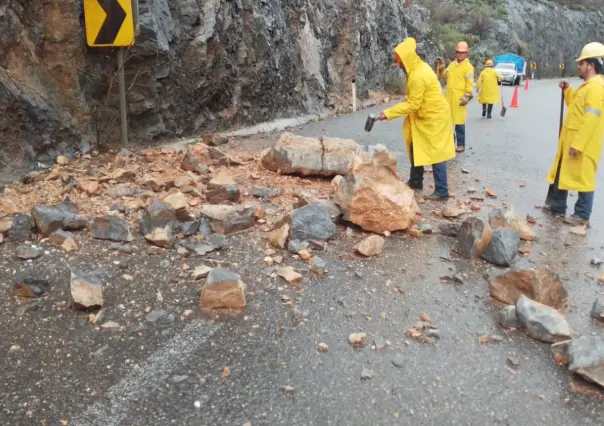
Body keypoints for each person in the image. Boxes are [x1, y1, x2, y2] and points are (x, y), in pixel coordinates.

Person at [375, 37, 455, 201]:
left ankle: (442, 190)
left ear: (407, 60)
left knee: (436, 153)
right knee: (416, 146)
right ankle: (416, 181)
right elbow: (416, 98)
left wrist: (388, 113)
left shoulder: (418, 75)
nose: (398, 65)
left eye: (400, 62)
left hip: (434, 118)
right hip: (425, 116)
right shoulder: (418, 68)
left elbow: (413, 105)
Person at [544, 42, 604, 226]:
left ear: (591, 65)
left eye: (581, 63)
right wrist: (568, 90)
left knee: (584, 179)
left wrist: (578, 145)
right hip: (571, 139)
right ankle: (557, 205)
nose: (579, 66)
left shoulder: (596, 88)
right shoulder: (587, 86)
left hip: (583, 144)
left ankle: (582, 215)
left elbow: (591, 119)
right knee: (562, 171)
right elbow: (576, 109)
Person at [436, 42, 474, 153]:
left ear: (466, 53)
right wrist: (441, 67)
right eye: (458, 52)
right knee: (447, 122)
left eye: (462, 52)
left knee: (459, 123)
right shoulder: (452, 65)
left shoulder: (468, 67)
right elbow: (445, 75)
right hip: (448, 98)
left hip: (459, 100)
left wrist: (467, 96)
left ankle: (461, 144)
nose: (460, 54)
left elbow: (469, 83)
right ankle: (450, 143)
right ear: (456, 52)